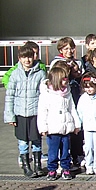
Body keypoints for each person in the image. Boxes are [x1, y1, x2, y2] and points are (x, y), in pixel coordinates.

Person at [4, 46, 47, 177]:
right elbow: (10, 96)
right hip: (20, 113)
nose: (27, 60)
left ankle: (38, 165)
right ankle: (26, 166)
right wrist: (10, 116)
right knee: (23, 141)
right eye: (24, 57)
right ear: (19, 58)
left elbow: (44, 95)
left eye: (29, 56)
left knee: (36, 140)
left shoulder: (40, 73)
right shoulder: (15, 74)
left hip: (35, 113)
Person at [37, 67, 81, 181]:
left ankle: (65, 168)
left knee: (66, 150)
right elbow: (42, 111)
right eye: (63, 79)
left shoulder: (67, 92)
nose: (66, 81)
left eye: (66, 78)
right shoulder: (46, 94)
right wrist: (43, 127)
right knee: (53, 151)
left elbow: (72, 109)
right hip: (53, 128)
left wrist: (77, 124)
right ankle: (52, 169)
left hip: (66, 127)